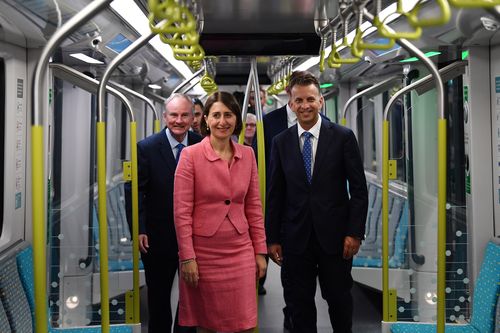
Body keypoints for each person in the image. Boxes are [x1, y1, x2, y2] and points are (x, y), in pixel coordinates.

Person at [266, 72, 368, 333]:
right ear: (290, 104)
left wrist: (354, 232)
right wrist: (272, 238)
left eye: (310, 99)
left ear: (321, 101)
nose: (305, 105)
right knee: (299, 304)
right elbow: (275, 193)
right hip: (295, 238)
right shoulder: (280, 142)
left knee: (338, 299)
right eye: (298, 100)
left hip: (335, 238)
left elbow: (358, 189)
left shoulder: (343, 137)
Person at [173, 91, 267, 333]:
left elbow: (254, 207)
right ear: (205, 120)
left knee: (245, 323)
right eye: (216, 115)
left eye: (228, 115)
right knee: (209, 325)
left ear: (236, 119)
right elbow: (181, 212)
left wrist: (260, 251)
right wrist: (188, 257)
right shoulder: (190, 156)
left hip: (240, 250)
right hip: (203, 255)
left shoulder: (248, 155)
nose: (222, 121)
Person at [137, 93, 201, 333]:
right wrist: (140, 227)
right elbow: (136, 191)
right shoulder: (147, 148)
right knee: (159, 298)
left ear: (193, 117)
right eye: (173, 115)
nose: (179, 120)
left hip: (195, 236)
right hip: (157, 235)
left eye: (185, 115)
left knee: (191, 300)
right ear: (165, 116)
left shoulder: (201, 144)